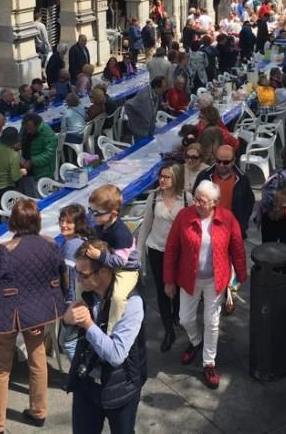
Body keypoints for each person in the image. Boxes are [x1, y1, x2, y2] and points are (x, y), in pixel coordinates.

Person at [0, 199, 67, 433]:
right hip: (39, 312)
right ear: (37, 221)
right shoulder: (50, 244)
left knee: (1, 369)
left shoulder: (5, 250)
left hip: (9, 313)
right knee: (37, 360)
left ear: (13, 222)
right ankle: (39, 410)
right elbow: (62, 276)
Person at [163, 180, 247, 389]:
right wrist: (169, 280)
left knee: (212, 321)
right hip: (188, 278)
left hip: (215, 279)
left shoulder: (227, 218)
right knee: (185, 317)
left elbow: (237, 247)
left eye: (203, 201)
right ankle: (196, 341)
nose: (198, 204)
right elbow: (172, 248)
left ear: (215, 202)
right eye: (196, 199)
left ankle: (209, 362)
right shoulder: (184, 216)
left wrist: (241, 276)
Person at [64, 239, 147, 434]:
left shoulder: (131, 302)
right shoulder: (87, 292)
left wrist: (88, 325)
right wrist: (66, 320)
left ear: (103, 272)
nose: (78, 280)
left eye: (83, 275)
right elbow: (70, 332)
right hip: (86, 385)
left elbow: (117, 354)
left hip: (120, 387)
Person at [137, 164, 189, 352]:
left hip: (179, 252)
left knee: (178, 285)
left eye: (167, 176)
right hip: (157, 249)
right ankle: (168, 329)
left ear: (176, 178)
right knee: (162, 288)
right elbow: (145, 227)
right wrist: (139, 251)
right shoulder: (153, 198)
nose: (162, 180)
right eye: (161, 176)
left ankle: (176, 314)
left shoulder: (186, 198)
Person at [85, 185, 140, 330]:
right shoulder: (101, 225)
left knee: (118, 297)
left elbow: (119, 262)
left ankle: (112, 330)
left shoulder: (120, 233)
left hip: (126, 270)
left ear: (114, 213)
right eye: (90, 211)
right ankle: (87, 317)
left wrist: (99, 256)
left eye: (96, 212)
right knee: (83, 281)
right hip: (108, 263)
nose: (92, 216)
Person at [251, 145, 286, 247]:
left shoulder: (277, 178)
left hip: (274, 220)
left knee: (269, 248)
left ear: (283, 159)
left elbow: (267, 201)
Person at [193, 144, 254, 237]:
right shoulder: (204, 175)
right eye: (218, 161)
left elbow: (249, 203)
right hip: (206, 226)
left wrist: (242, 225)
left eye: (226, 162)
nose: (221, 165)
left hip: (230, 228)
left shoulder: (242, 179)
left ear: (233, 161)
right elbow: (195, 197)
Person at [58, 204, 92, 361]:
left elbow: (69, 279)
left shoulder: (70, 247)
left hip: (74, 300)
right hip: (83, 297)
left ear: (77, 224)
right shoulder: (81, 240)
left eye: (69, 222)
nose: (64, 225)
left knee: (69, 343)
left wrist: (68, 304)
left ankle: (78, 377)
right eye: (62, 221)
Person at [124, 76, 166, 140]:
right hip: (141, 131)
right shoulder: (144, 96)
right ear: (156, 87)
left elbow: (153, 107)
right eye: (163, 87)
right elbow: (127, 105)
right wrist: (135, 121)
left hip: (150, 129)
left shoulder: (156, 94)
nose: (164, 89)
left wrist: (162, 105)